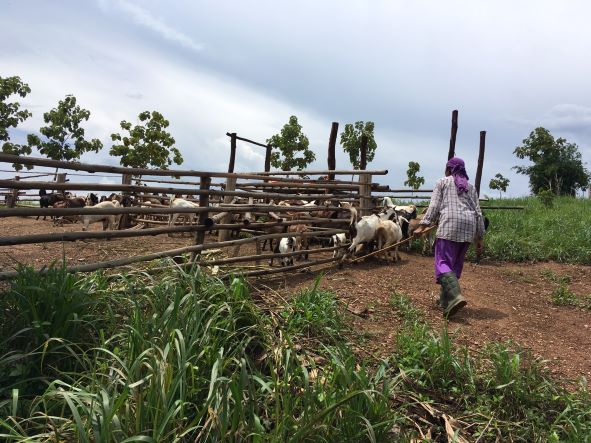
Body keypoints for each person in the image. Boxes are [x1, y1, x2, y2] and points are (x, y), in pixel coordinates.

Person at [413, 157, 485, 318]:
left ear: (448, 169)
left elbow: (434, 206)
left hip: (450, 225)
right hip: (468, 228)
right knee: (454, 265)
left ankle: (455, 297)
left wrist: (423, 225)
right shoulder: (471, 187)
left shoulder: (442, 182)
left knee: (443, 263)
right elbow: (479, 213)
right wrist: (480, 237)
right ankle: (446, 301)